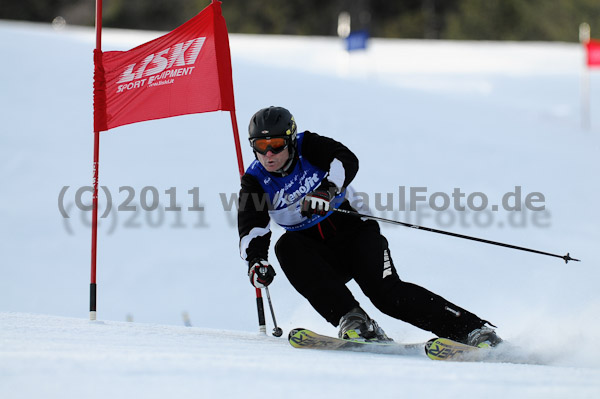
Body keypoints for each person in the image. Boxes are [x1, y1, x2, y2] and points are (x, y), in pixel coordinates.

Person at [237, 106, 502, 347]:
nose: (268, 154)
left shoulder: (310, 146)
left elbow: (345, 159)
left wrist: (327, 192)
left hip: (355, 233)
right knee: (288, 247)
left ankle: (473, 331)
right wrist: (256, 261)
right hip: (318, 255)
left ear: (291, 141)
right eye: (261, 145)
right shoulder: (255, 181)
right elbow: (252, 228)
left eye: (276, 144)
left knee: (386, 295)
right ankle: (354, 320)